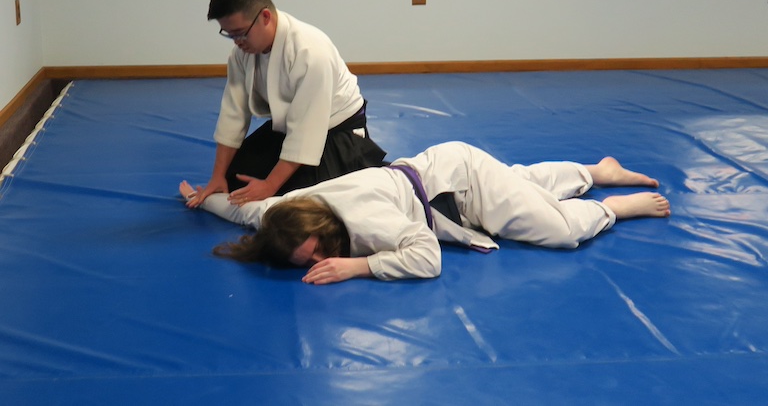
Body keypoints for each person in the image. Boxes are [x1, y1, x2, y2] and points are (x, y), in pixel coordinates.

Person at [179, 141, 671, 283]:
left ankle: (613, 206)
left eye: (320, 250)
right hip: (440, 174)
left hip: (463, 186)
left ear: (325, 229)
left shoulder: (361, 224)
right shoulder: (287, 211)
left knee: (559, 230)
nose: (318, 260)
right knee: (522, 183)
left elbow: (427, 256)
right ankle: (594, 168)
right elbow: (246, 213)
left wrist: (360, 265)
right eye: (307, 259)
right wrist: (204, 195)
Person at [185, 0, 386, 209]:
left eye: (240, 33)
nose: (237, 42)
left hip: (337, 134)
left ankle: (370, 174)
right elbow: (233, 114)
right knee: (235, 178)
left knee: (296, 204)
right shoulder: (241, 54)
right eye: (229, 34)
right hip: (292, 128)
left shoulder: (310, 52)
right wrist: (217, 177)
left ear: (265, 17)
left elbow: (307, 132)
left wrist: (269, 186)